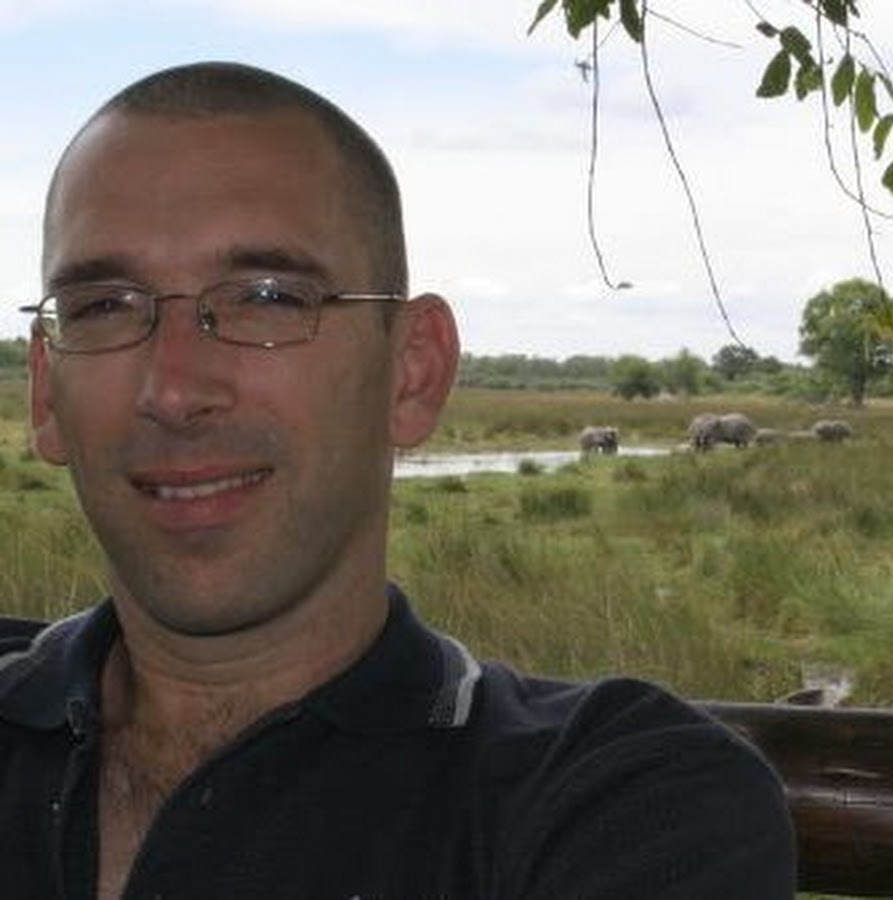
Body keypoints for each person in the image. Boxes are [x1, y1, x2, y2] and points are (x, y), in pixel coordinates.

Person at [1, 61, 795, 899]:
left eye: (268, 297)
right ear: (46, 392)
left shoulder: (620, 801)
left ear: (413, 373)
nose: (173, 389)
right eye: (104, 306)